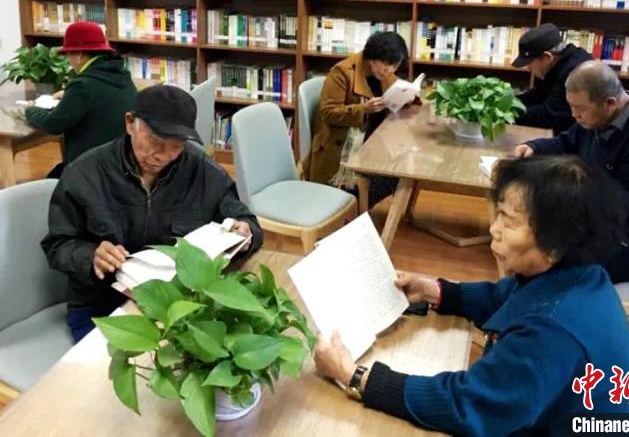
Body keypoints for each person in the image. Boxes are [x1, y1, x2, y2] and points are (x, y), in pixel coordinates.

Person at [314, 156, 629, 436]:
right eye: (498, 213)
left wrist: (354, 376)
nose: (494, 228)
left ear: (555, 244)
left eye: (508, 221)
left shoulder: (551, 333)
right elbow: (505, 297)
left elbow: (469, 404)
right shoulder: (578, 274)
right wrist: (436, 292)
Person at [42, 85, 264, 342]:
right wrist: (91, 255)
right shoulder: (85, 174)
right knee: (115, 366)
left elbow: (247, 222)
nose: (163, 156)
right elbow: (57, 245)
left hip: (179, 305)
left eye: (176, 146)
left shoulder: (201, 170)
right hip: (103, 305)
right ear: (130, 123)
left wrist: (245, 232)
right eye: (155, 143)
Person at [514, 61, 629, 283]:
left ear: (610, 103)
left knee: (545, 260)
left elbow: (624, 203)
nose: (574, 115)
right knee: (532, 239)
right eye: (571, 106)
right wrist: (534, 147)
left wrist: (561, 201)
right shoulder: (597, 119)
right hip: (605, 222)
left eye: (580, 109)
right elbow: (568, 142)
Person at [305, 31, 415, 207]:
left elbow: (400, 86)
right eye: (387, 65)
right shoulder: (341, 72)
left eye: (395, 66)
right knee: (390, 176)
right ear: (372, 58)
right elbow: (329, 113)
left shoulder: (383, 73)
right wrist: (364, 109)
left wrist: (410, 95)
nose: (391, 71)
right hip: (341, 153)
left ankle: (358, 207)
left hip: (372, 143)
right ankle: (355, 209)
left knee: (404, 169)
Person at [24, 21, 138, 178]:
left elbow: (53, 124)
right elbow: (99, 97)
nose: (68, 61)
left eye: (68, 55)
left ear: (79, 55)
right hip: (123, 164)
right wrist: (68, 93)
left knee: (50, 181)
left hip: (91, 171)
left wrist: (30, 110)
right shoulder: (122, 75)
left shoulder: (82, 85)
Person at [512, 23, 592, 134]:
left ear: (547, 57)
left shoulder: (574, 72)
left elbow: (549, 115)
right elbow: (538, 95)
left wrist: (505, 114)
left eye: (529, 63)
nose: (528, 68)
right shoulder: (556, 64)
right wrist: (509, 102)